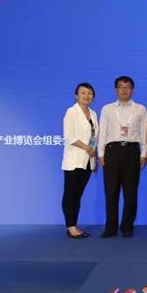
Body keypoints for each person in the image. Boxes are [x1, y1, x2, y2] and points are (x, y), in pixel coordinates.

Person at [97, 76, 147, 238]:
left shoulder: (140, 109)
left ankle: (127, 226)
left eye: (127, 87)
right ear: (115, 90)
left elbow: (144, 133)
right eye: (121, 87)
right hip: (112, 151)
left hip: (132, 151)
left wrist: (144, 153)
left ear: (132, 89)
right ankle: (110, 227)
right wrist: (101, 153)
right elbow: (102, 133)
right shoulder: (107, 109)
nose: (124, 89)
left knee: (130, 191)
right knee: (111, 191)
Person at [61, 83, 99, 239]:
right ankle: (70, 226)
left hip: (88, 160)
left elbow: (93, 137)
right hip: (74, 160)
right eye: (83, 93)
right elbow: (69, 136)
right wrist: (87, 148)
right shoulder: (71, 112)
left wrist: (93, 156)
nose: (87, 96)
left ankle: (73, 224)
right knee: (70, 194)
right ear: (76, 95)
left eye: (89, 93)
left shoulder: (93, 113)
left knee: (78, 194)